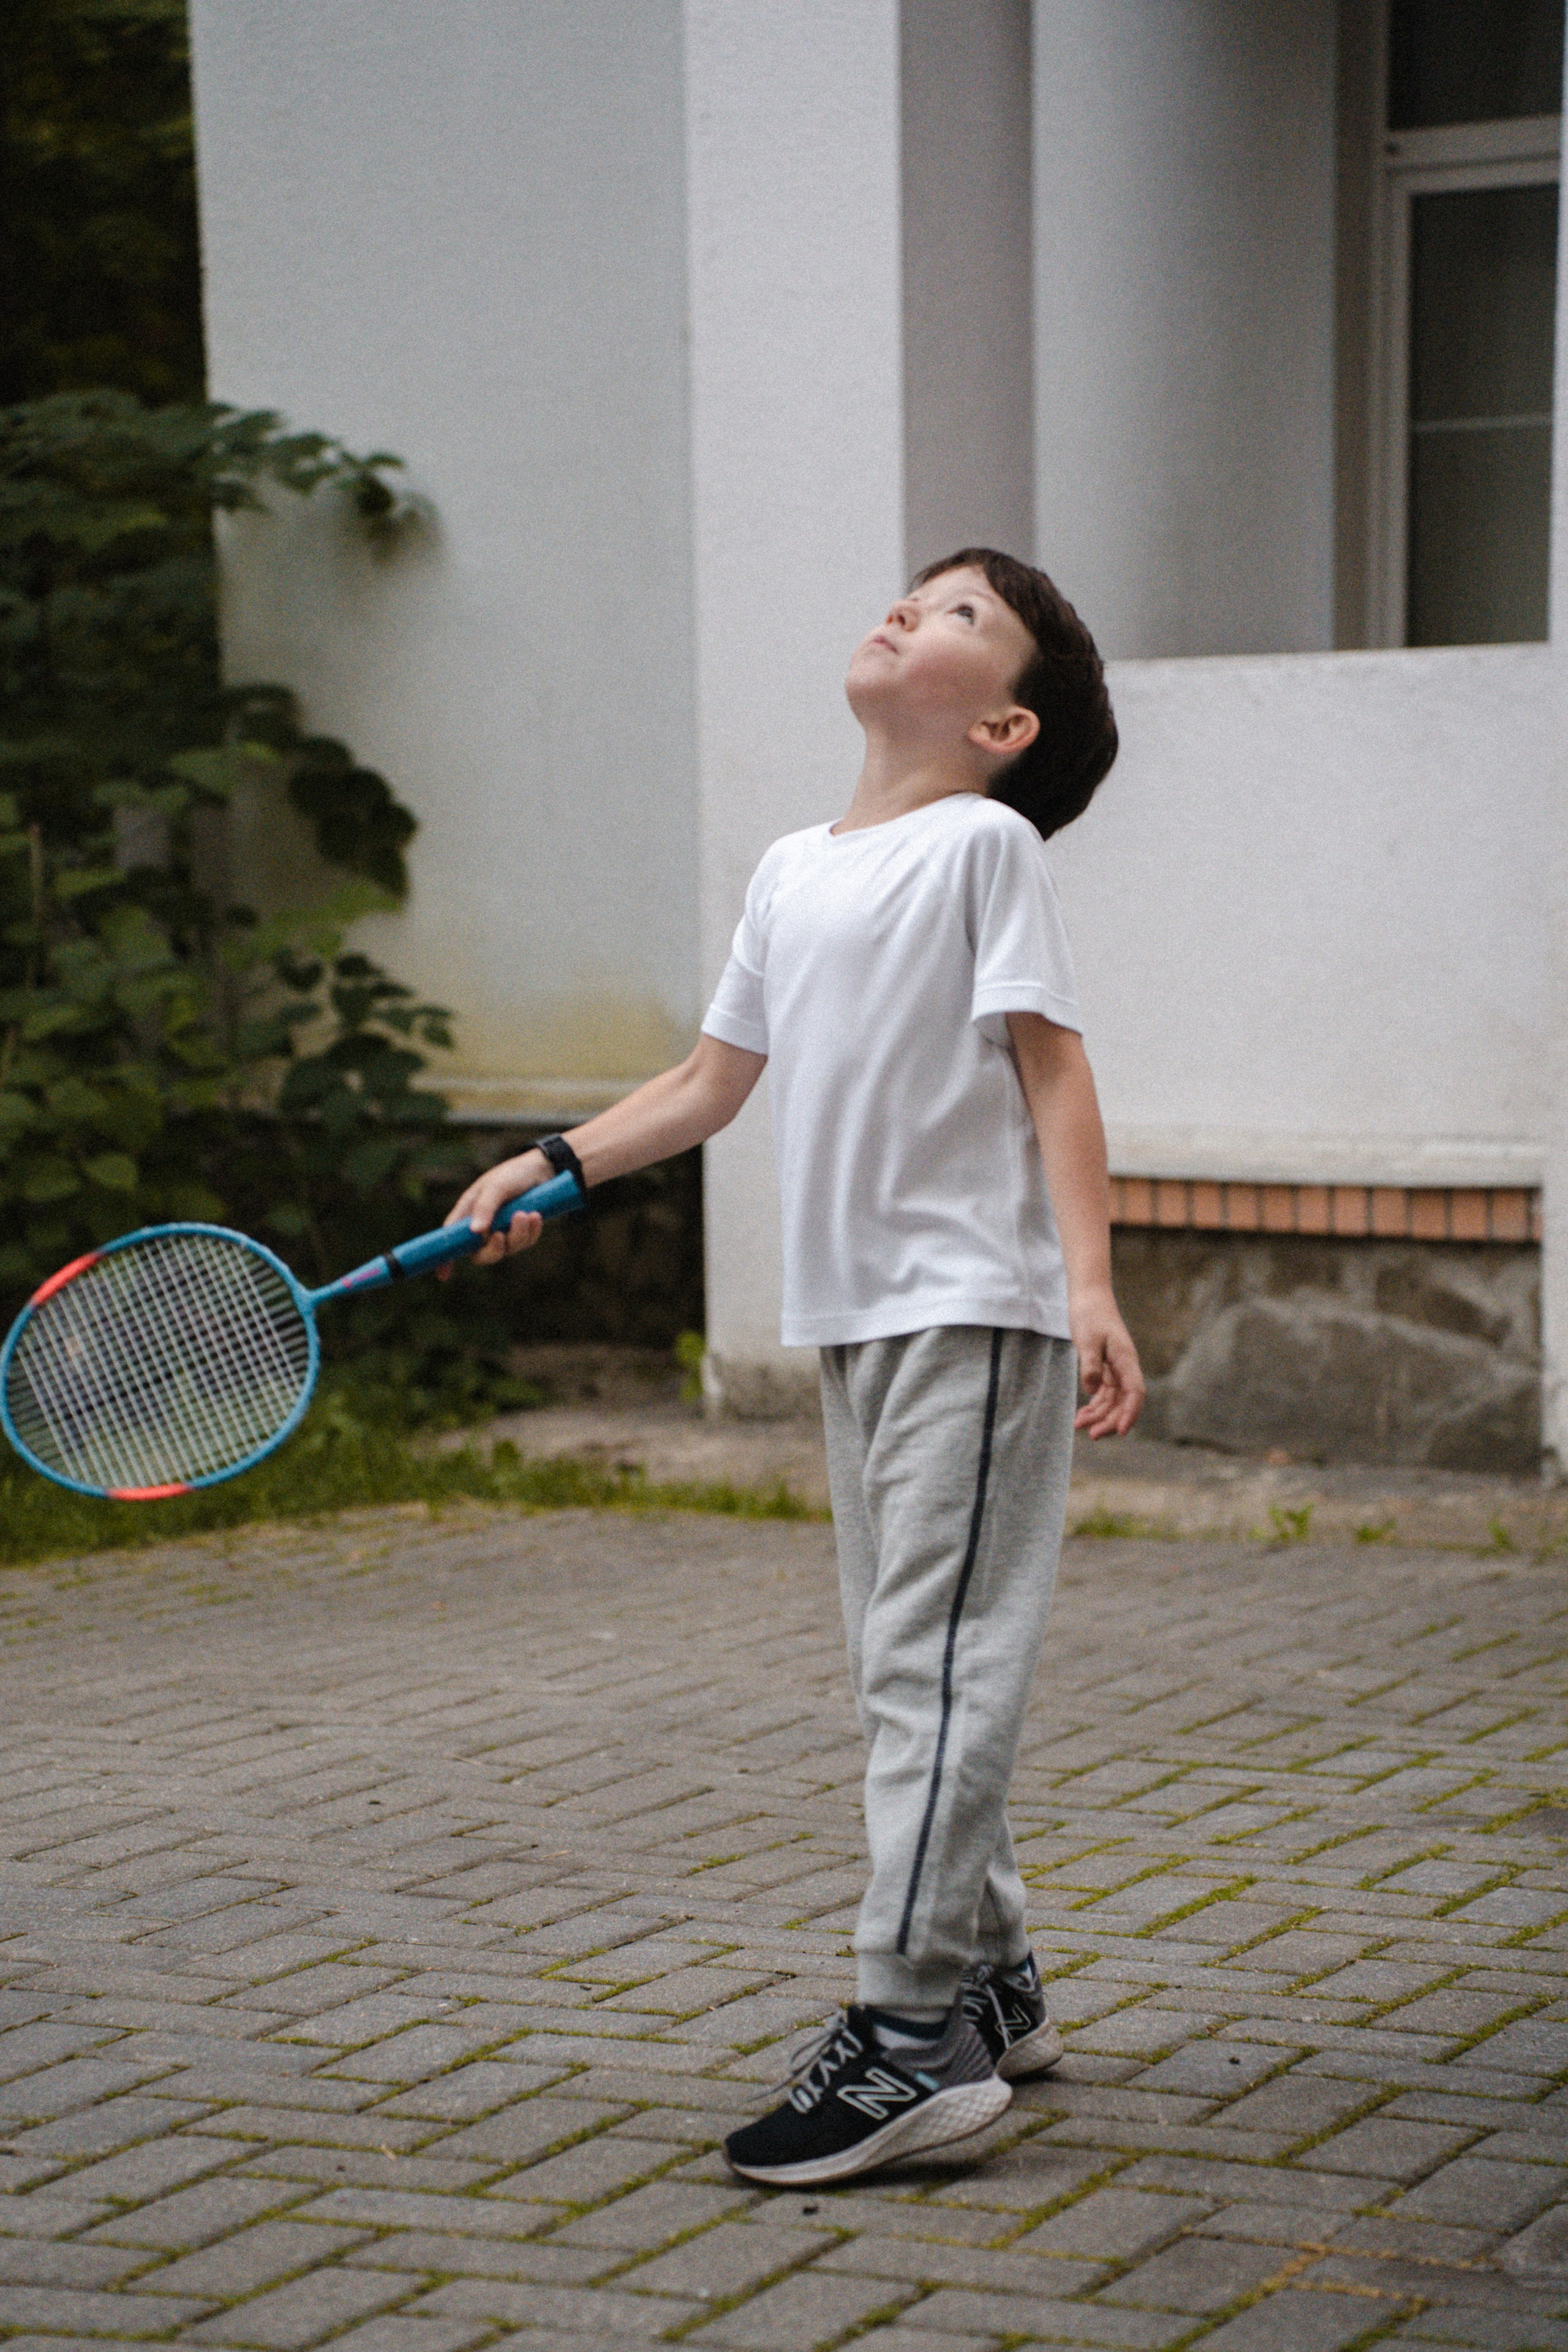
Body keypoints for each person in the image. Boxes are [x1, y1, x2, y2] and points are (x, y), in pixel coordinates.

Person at [445, 548, 1144, 2186]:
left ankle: (912, 2041)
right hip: (857, 1323)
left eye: (964, 613)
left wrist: (1095, 1287)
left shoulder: (984, 847)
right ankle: (989, 1976)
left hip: (976, 1310)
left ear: (1005, 724)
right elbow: (705, 1082)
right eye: (919, 589)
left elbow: (1056, 1076)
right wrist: (552, 1161)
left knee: (936, 1665)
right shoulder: (789, 869)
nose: (915, 607)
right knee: (905, 1661)